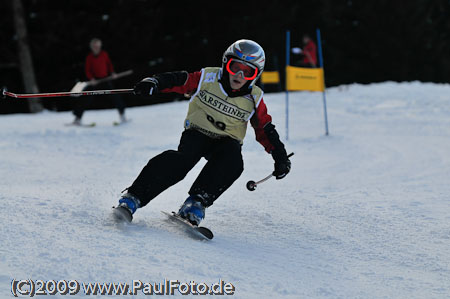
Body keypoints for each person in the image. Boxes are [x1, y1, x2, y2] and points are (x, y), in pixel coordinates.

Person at [113, 39, 291, 225]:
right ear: (225, 64)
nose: (239, 75)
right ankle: (133, 198)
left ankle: (196, 202)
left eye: (247, 71)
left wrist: (280, 156)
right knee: (181, 160)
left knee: (233, 162)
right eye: (234, 67)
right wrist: (155, 82)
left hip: (226, 142)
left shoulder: (254, 98)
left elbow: (265, 129)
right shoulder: (208, 78)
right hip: (197, 133)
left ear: (256, 75)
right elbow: (180, 80)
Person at [72, 38, 126, 125]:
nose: (96, 48)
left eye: (97, 46)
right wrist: (91, 79)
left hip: (105, 79)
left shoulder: (104, 54)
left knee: (115, 97)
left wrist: (112, 73)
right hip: (94, 82)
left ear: (100, 46)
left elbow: (109, 65)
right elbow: (87, 70)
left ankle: (123, 116)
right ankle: (77, 119)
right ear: (91, 47)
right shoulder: (89, 57)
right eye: (94, 46)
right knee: (85, 98)